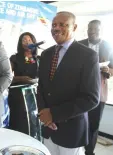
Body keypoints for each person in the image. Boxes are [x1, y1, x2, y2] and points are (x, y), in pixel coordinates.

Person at [37, 11, 100, 155]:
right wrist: (44, 114)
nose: (56, 28)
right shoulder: (46, 54)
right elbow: (41, 87)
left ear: (75, 27)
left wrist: (54, 114)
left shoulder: (88, 56)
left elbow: (91, 98)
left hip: (71, 131)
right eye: (54, 25)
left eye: (62, 25)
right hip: (48, 129)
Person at [79, 20, 113, 155]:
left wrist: (108, 70)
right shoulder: (79, 44)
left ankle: (89, 152)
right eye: (89, 29)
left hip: (99, 90)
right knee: (78, 121)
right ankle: (76, 148)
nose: (92, 32)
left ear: (101, 30)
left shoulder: (108, 46)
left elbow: (112, 68)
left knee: (94, 124)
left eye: (95, 29)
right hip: (79, 90)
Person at [8, 32, 40, 137]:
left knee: (34, 123)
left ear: (34, 42)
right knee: (20, 124)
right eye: (24, 40)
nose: (27, 42)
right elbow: (6, 78)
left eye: (29, 40)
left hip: (35, 96)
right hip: (18, 97)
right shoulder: (15, 58)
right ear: (20, 44)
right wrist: (22, 79)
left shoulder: (39, 59)